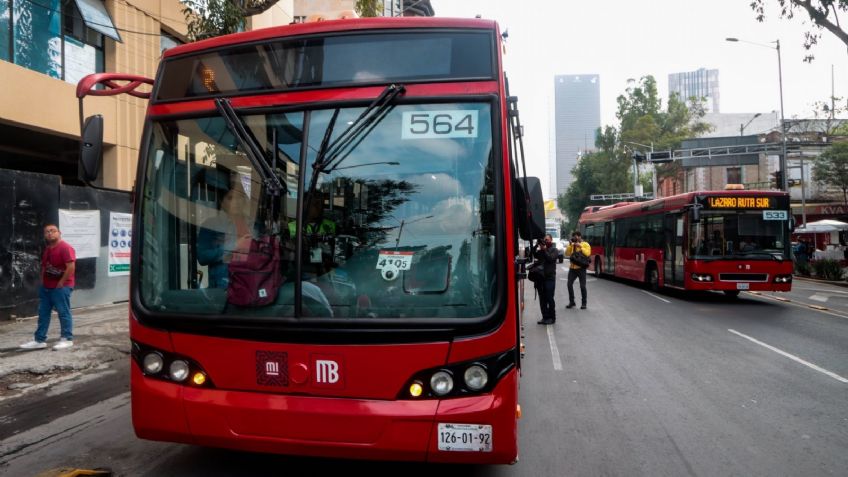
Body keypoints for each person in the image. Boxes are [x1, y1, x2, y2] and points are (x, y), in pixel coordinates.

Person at [20, 224, 76, 350]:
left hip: (61, 287)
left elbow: (71, 267)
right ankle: (39, 340)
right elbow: (45, 267)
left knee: (63, 312)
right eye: (47, 232)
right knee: (43, 313)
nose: (50, 233)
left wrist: (61, 282)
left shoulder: (65, 248)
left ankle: (67, 339)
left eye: (53, 231)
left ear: (59, 233)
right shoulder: (48, 249)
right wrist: (42, 282)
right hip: (46, 287)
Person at [197, 187, 253, 288]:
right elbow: (203, 256)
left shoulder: (253, 224)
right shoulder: (211, 224)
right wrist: (234, 246)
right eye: (230, 198)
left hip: (251, 283)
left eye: (239, 197)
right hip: (225, 287)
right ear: (221, 202)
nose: (236, 202)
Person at [532, 234, 558, 325]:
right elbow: (533, 254)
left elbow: (550, 259)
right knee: (542, 299)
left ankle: (552, 317)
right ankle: (545, 317)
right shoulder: (541, 251)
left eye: (547, 240)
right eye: (544, 240)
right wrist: (536, 245)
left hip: (550, 278)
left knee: (549, 298)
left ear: (551, 240)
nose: (545, 241)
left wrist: (544, 250)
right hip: (540, 279)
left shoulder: (554, 250)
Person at [565, 231, 591, 310]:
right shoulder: (572, 245)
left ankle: (584, 303)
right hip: (572, 268)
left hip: (581, 268)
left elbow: (588, 253)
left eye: (576, 237)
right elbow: (567, 253)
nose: (575, 238)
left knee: (582, 286)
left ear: (580, 236)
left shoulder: (585, 244)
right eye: (574, 237)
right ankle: (572, 302)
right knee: (569, 284)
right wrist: (570, 245)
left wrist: (580, 246)